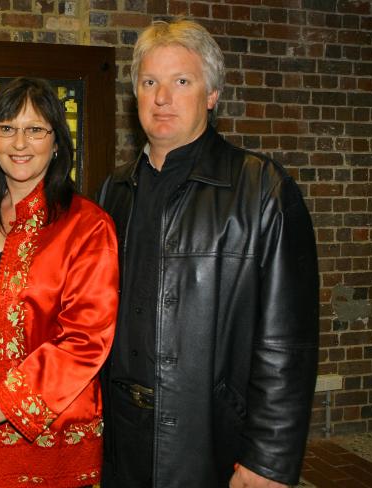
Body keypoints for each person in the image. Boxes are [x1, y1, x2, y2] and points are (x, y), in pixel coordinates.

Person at [97, 18, 319, 488]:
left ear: (212, 94)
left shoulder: (261, 189)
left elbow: (287, 343)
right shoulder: (113, 190)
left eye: (181, 81)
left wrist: (269, 461)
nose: (162, 98)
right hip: (120, 437)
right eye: (149, 82)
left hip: (208, 438)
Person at [0, 77, 119, 487]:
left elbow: (85, 341)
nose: (20, 143)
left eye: (35, 129)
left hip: (46, 436)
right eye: (7, 128)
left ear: (56, 142)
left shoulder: (86, 225)